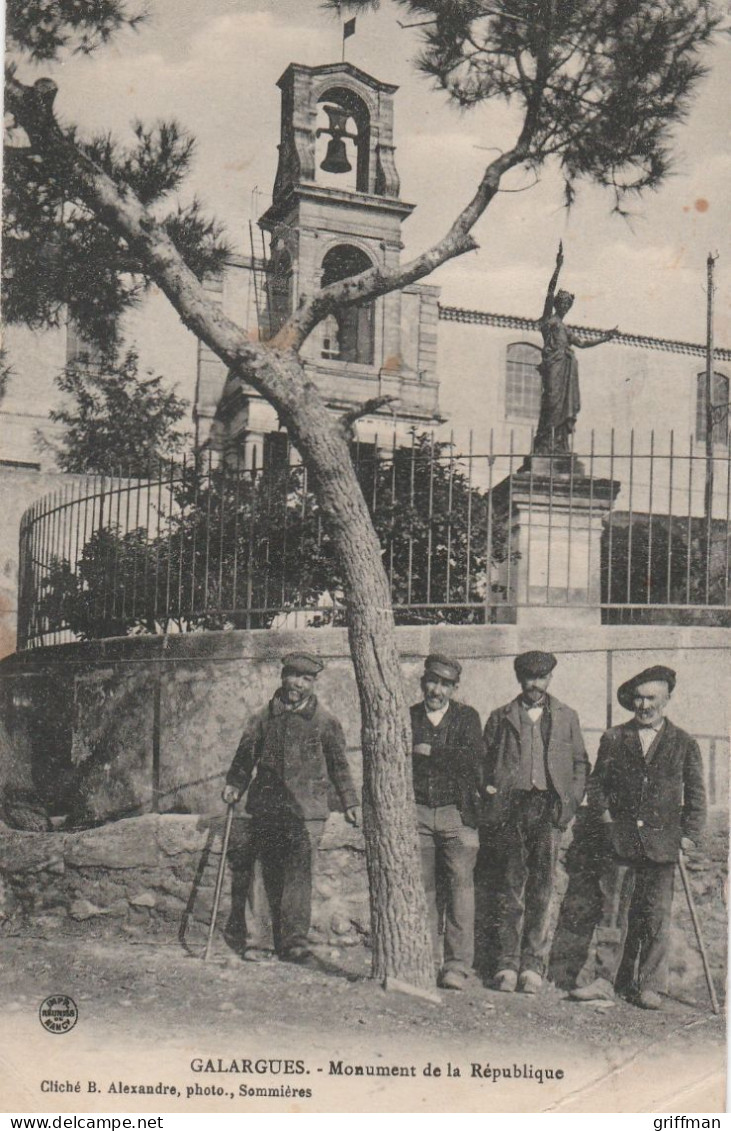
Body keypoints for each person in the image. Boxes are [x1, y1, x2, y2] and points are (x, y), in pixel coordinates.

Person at [570, 666, 706, 1010]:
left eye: (652, 698)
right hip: (621, 843)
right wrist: (606, 819)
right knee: (614, 914)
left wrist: (689, 837)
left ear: (667, 700)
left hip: (663, 845)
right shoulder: (615, 738)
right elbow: (596, 783)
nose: (644, 705)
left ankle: (651, 986)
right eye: (639, 698)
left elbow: (696, 796)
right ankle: (604, 980)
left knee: (657, 916)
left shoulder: (684, 743)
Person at [222, 652, 359, 967]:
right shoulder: (262, 718)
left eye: (306, 679)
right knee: (262, 874)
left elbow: (339, 766)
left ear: (313, 684)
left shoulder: (325, 721)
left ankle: (294, 944)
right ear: (283, 677)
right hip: (268, 809)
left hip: (307, 813)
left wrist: (350, 802)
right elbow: (245, 757)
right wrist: (234, 784)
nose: (297, 684)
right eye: (293, 676)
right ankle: (259, 943)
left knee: (298, 879)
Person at [483, 651, 589, 993]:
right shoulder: (501, 717)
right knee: (510, 886)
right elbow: (484, 762)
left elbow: (579, 764)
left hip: (547, 809)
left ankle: (532, 966)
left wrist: (569, 805)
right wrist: (493, 797)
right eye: (529, 677)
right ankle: (507, 965)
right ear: (519, 679)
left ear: (550, 679)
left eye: (541, 678)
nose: (535, 685)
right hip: (511, 809)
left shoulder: (566, 716)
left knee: (542, 888)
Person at [410, 653, 484, 991]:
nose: (436, 690)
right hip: (420, 812)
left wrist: (430, 752)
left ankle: (456, 965)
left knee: (460, 890)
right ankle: (424, 959)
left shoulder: (467, 718)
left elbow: (470, 760)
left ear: (455, 688)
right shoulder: (410, 716)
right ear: (423, 682)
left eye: (444, 684)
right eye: (432, 682)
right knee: (422, 889)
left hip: (458, 814)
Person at [533, 241, 619, 455]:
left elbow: (582, 343)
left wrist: (605, 337)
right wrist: (558, 267)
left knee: (562, 406)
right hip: (553, 369)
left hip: (565, 372)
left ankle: (559, 443)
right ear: (557, 305)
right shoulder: (548, 321)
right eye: (562, 304)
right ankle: (545, 444)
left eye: (567, 305)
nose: (564, 307)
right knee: (551, 402)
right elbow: (549, 292)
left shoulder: (565, 328)